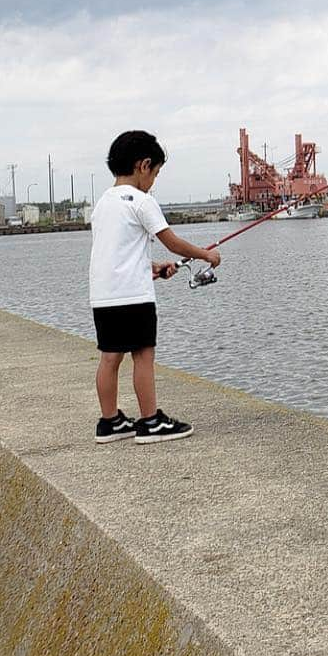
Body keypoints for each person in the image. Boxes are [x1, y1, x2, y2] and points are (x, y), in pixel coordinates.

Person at [89, 130, 220, 445]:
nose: (154, 180)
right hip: (134, 298)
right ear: (143, 165)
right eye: (156, 173)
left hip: (104, 296)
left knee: (110, 358)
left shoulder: (102, 204)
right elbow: (172, 241)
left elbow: (116, 255)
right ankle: (151, 422)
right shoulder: (142, 201)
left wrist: (153, 269)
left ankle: (110, 423)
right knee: (143, 354)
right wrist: (206, 255)